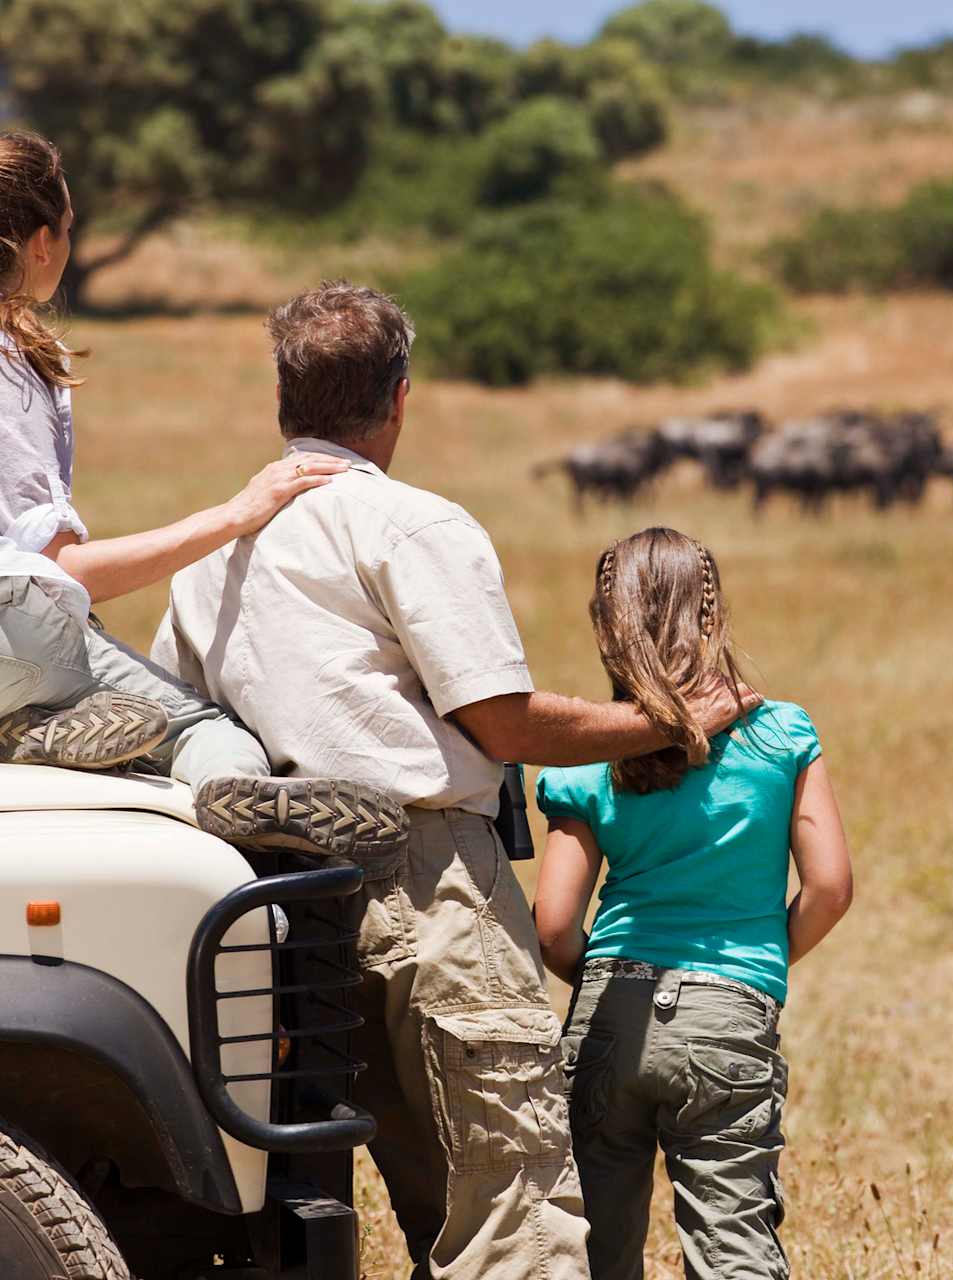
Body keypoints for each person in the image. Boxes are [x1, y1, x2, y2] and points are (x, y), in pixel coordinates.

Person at [151, 281, 760, 1280]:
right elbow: (504, 721)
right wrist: (672, 717)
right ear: (398, 397)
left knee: (359, 1184)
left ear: (281, 396)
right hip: (427, 879)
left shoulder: (207, 555)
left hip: (270, 892)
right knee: (508, 1199)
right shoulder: (410, 524)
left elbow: (182, 722)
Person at [0, 129, 404, 859]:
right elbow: (59, 570)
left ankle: (34, 725)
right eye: (67, 228)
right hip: (13, 641)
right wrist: (237, 513)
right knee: (203, 730)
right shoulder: (12, 367)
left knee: (112, 708)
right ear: (38, 244)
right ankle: (224, 785)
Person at [533, 528, 853, 1280]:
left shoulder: (588, 757)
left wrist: (606, 973)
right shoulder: (782, 733)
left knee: (597, 1245)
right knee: (733, 1244)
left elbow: (552, 929)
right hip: (732, 1013)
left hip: (611, 1010)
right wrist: (755, 961)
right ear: (711, 615)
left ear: (608, 626)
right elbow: (831, 887)